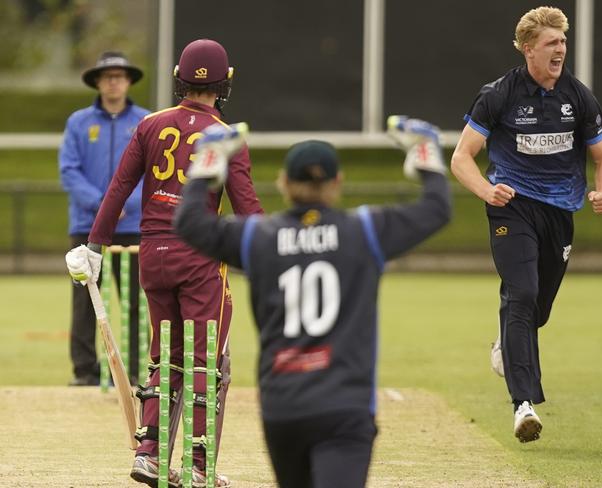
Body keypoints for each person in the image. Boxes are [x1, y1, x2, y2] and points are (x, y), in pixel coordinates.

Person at [172, 116, 451, 488]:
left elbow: (189, 222)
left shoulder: (258, 237)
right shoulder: (364, 231)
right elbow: (437, 209)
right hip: (344, 405)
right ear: (337, 183)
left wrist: (206, 165)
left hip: (283, 407)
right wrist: (428, 157)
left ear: (284, 183)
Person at [65, 39, 262, 487]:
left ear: (179, 77)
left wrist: (94, 248)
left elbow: (118, 188)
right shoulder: (226, 136)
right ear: (224, 84)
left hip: (152, 254)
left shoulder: (150, 125)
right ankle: (198, 464)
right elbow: (247, 207)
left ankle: (150, 453)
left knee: (164, 355)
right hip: (199, 257)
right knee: (207, 361)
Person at [450, 6, 602, 443]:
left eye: (563, 40)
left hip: (560, 213)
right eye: (552, 42)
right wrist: (488, 191)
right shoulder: (500, 94)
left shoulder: (578, 96)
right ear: (529, 50)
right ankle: (523, 405)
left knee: (535, 311)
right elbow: (461, 157)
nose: (561, 48)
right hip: (512, 206)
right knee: (521, 293)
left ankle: (507, 341)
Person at [59, 51, 149, 387]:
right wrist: (102, 204)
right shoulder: (79, 122)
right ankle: (85, 371)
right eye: (107, 76)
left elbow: (154, 173)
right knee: (84, 300)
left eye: (119, 76)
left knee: (136, 301)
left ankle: (137, 369)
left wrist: (125, 203)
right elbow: (69, 170)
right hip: (87, 225)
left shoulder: (145, 121)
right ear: (97, 81)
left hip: (131, 226)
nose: (113, 81)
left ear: (128, 81)